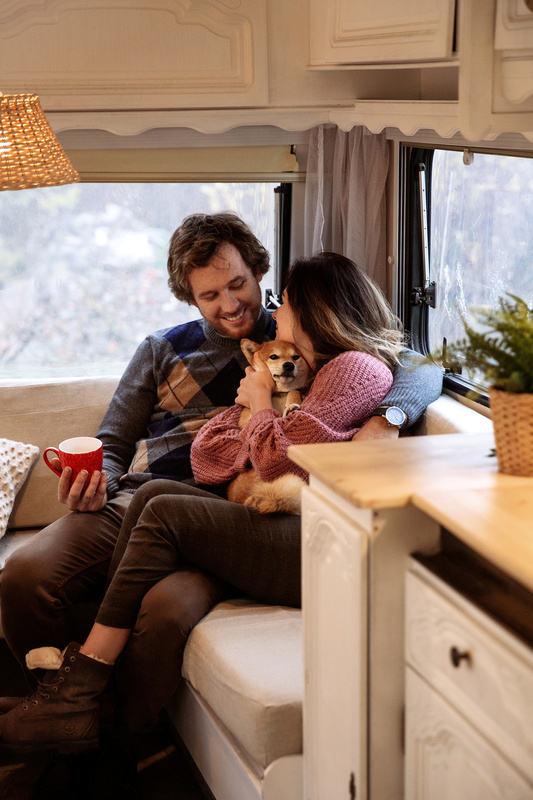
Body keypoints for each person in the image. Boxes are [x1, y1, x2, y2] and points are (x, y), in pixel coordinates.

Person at [0, 214, 442, 744]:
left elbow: (411, 359)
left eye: (238, 284)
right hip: (140, 500)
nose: (230, 304)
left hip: (234, 513)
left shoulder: (301, 334)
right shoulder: (161, 348)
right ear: (188, 297)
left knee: (164, 613)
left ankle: (109, 750)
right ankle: (67, 731)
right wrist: (95, 483)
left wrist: (386, 418)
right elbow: (113, 442)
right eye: (210, 294)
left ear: (260, 273)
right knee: (23, 577)